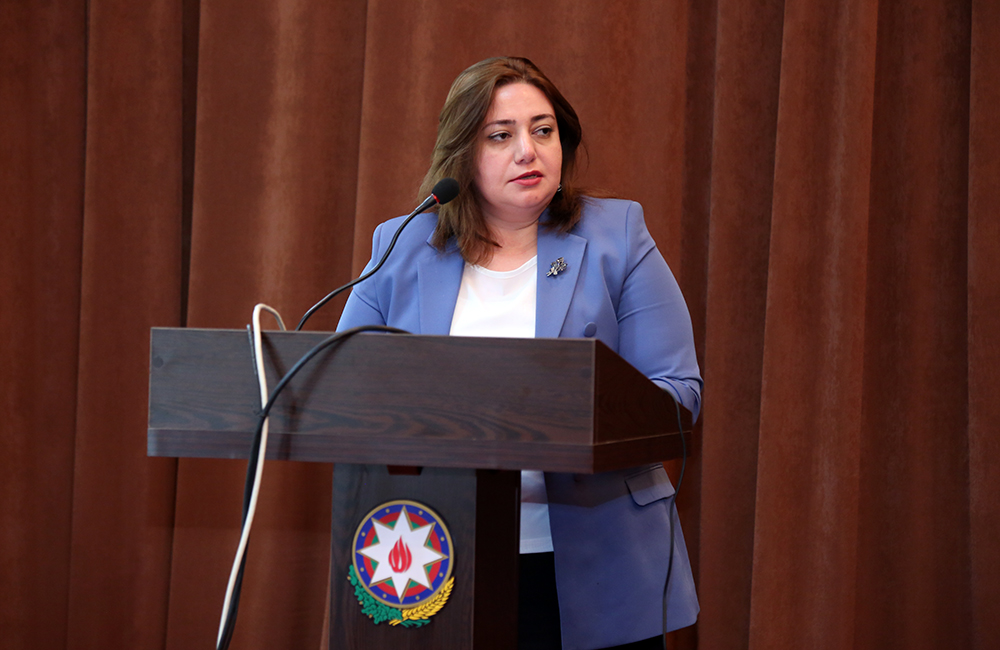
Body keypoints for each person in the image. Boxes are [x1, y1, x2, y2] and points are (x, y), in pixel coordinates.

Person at [338, 56, 702, 650]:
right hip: (438, 556)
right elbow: (343, 388)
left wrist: (564, 412)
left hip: (597, 556)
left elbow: (678, 395)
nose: (527, 151)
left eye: (542, 130)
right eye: (500, 136)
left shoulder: (617, 236)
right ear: (462, 155)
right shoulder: (402, 245)